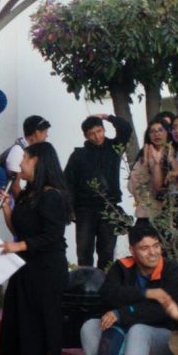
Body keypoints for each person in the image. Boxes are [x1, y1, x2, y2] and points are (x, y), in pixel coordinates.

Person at [76, 222, 178, 355]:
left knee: (139, 329)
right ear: (132, 250)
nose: (152, 253)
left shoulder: (174, 271)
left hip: (164, 340)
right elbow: (109, 295)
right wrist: (147, 293)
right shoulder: (122, 267)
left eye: (156, 246)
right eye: (144, 248)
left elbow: (160, 311)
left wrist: (122, 313)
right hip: (128, 338)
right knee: (90, 327)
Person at [0, 142, 71, 355]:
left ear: (38, 161)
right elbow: (19, 227)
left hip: (46, 270)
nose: (21, 164)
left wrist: (19, 246)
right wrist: (7, 207)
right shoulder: (28, 194)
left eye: (25, 158)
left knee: (38, 328)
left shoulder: (54, 195)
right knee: (18, 324)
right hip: (23, 267)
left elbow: (51, 236)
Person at [64, 113, 133, 269]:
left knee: (107, 253)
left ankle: (104, 287)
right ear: (86, 136)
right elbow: (68, 183)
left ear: (103, 130)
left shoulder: (114, 149)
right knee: (84, 252)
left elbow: (126, 129)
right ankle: (84, 287)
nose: (97, 136)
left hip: (109, 207)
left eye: (99, 131)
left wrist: (107, 117)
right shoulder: (78, 155)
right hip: (84, 209)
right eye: (92, 134)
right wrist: (70, 208)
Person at [127, 120, 173, 227]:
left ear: (168, 132)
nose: (157, 134)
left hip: (170, 213)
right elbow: (131, 186)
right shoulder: (144, 157)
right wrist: (146, 164)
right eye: (152, 131)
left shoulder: (174, 155)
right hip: (147, 213)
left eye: (160, 130)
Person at [3, 116, 52, 193]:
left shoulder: (28, 151)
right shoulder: (17, 151)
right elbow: (15, 185)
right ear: (37, 133)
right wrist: (22, 203)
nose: (47, 136)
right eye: (45, 132)